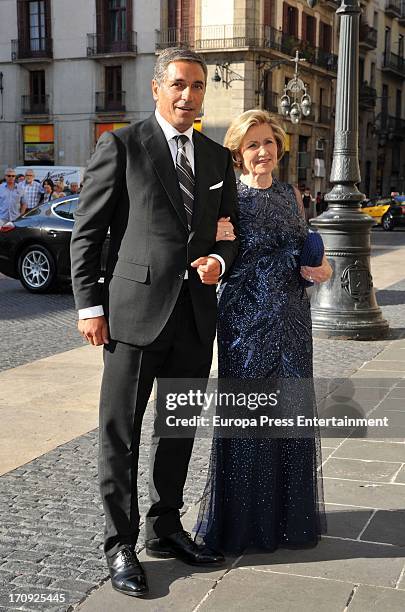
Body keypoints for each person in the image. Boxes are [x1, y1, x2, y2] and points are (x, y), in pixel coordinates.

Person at [70, 47, 239, 598]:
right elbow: (88, 234)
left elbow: (227, 230)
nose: (189, 96)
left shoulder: (215, 158)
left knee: (177, 429)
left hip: (194, 319)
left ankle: (165, 527)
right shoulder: (121, 145)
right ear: (157, 88)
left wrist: (220, 260)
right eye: (179, 85)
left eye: (197, 87)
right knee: (121, 434)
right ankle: (120, 544)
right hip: (132, 318)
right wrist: (90, 307)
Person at [194, 110, 332, 555]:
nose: (262, 151)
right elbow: (217, 250)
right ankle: (244, 523)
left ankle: (286, 520)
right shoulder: (228, 197)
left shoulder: (292, 196)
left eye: (269, 143)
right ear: (237, 152)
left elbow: (304, 250)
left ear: (279, 148)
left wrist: (322, 268)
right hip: (246, 322)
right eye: (252, 144)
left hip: (293, 317)